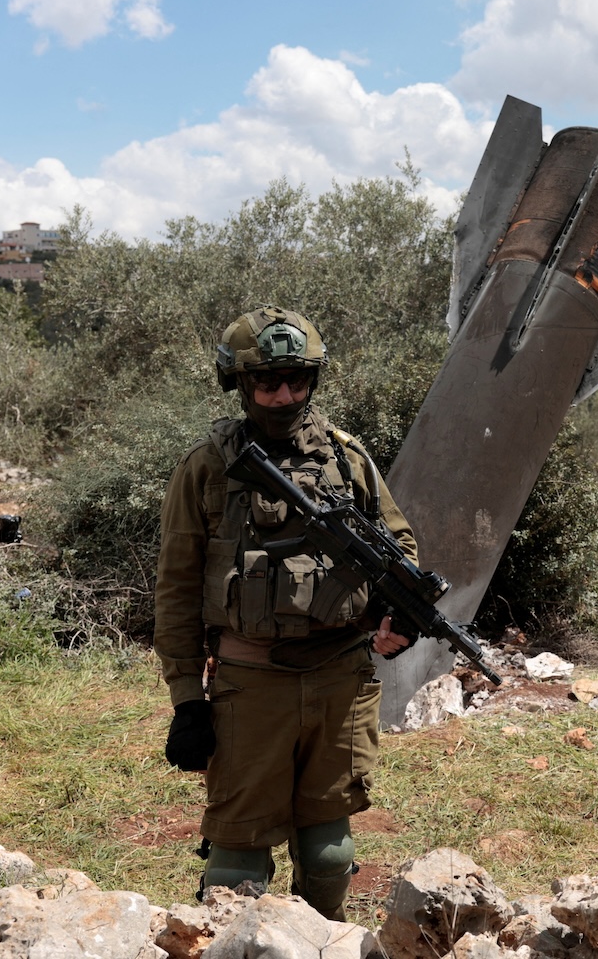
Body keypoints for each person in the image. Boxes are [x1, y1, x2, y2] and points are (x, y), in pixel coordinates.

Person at [155, 305, 415, 918]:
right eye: (267, 383)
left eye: (297, 381)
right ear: (240, 385)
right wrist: (188, 698)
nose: (283, 396)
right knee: (237, 858)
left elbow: (398, 547)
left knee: (328, 853)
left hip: (341, 681)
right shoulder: (208, 468)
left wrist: (396, 615)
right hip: (252, 683)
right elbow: (176, 588)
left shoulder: (348, 460)